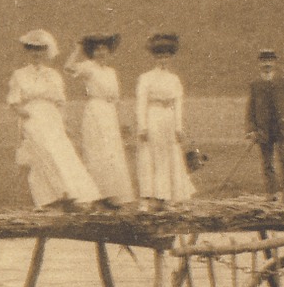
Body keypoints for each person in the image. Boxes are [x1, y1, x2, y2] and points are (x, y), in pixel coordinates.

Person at [7, 29, 102, 211]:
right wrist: (25, 114)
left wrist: (63, 123)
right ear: (27, 51)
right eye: (32, 49)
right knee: (42, 155)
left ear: (46, 52)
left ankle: (74, 196)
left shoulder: (53, 75)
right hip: (32, 117)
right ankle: (50, 199)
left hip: (52, 118)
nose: (36, 54)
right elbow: (13, 102)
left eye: (40, 50)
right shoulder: (19, 75)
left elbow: (60, 102)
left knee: (61, 153)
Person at [65, 34, 134, 206]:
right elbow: (68, 67)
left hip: (110, 114)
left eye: (104, 49)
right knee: (97, 152)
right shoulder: (89, 67)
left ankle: (113, 195)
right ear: (91, 52)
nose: (101, 52)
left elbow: (116, 99)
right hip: (95, 112)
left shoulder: (111, 72)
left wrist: (122, 121)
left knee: (112, 152)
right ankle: (98, 194)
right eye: (97, 49)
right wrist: (77, 50)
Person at [135, 33, 195, 208]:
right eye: (160, 56)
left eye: (166, 56)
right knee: (150, 155)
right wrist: (143, 126)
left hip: (168, 118)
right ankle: (147, 198)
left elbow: (178, 104)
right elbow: (141, 103)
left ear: (171, 58)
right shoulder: (145, 78)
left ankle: (167, 197)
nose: (163, 60)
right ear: (154, 58)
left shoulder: (174, 79)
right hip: (153, 116)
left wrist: (178, 127)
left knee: (169, 156)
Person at [246, 49, 284, 203]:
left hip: (282, 129)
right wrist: (251, 130)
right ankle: (271, 193)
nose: (267, 64)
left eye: (270, 61)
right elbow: (250, 109)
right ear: (259, 64)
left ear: (275, 63)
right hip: (263, 131)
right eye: (264, 61)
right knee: (267, 163)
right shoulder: (255, 84)